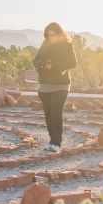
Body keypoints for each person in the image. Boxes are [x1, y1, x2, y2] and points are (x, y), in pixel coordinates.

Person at [32, 22, 77, 152]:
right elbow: (35, 60)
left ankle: (57, 142)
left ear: (59, 34)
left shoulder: (66, 46)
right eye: (48, 34)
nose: (51, 37)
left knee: (56, 113)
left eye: (53, 34)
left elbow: (72, 63)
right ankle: (52, 140)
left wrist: (55, 66)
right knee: (48, 115)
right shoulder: (44, 45)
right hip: (44, 85)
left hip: (61, 85)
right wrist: (42, 65)